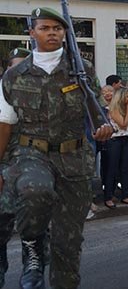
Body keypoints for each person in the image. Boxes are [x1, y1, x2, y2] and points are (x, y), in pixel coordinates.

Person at [0, 7, 113, 288]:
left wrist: (104, 127)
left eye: (58, 28)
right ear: (32, 32)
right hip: (31, 154)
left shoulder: (81, 70)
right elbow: (5, 124)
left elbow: (96, 111)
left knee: (68, 243)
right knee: (33, 189)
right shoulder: (14, 77)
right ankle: (33, 245)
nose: (52, 33)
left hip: (74, 159)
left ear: (65, 33)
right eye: (45, 28)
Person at [0, 47, 31, 287]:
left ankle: (33, 274)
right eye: (14, 66)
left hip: (31, 168)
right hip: (5, 168)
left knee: (34, 227)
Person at [105, 87, 128, 208]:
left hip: (127, 139)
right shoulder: (113, 109)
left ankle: (125, 195)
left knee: (125, 168)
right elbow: (123, 124)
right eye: (127, 96)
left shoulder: (127, 109)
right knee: (112, 168)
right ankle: (108, 196)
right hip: (115, 140)